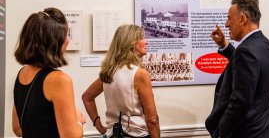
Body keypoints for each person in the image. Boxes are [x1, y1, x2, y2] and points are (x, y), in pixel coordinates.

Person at [205, 0, 269, 138]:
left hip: (247, 132)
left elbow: (240, 101)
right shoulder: (265, 44)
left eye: (229, 18)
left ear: (243, 19)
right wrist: (224, 45)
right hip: (263, 128)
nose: (226, 24)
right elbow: (249, 67)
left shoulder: (246, 51)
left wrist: (222, 130)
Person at [12, 7, 86, 138]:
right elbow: (71, 136)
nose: (68, 39)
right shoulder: (59, 80)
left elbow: (17, 129)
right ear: (54, 41)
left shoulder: (22, 73)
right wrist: (78, 120)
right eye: (66, 34)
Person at [82, 24, 160, 138]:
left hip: (111, 135)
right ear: (131, 43)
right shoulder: (140, 74)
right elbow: (152, 120)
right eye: (142, 38)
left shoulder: (109, 72)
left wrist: (99, 127)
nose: (146, 41)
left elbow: (87, 97)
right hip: (135, 135)